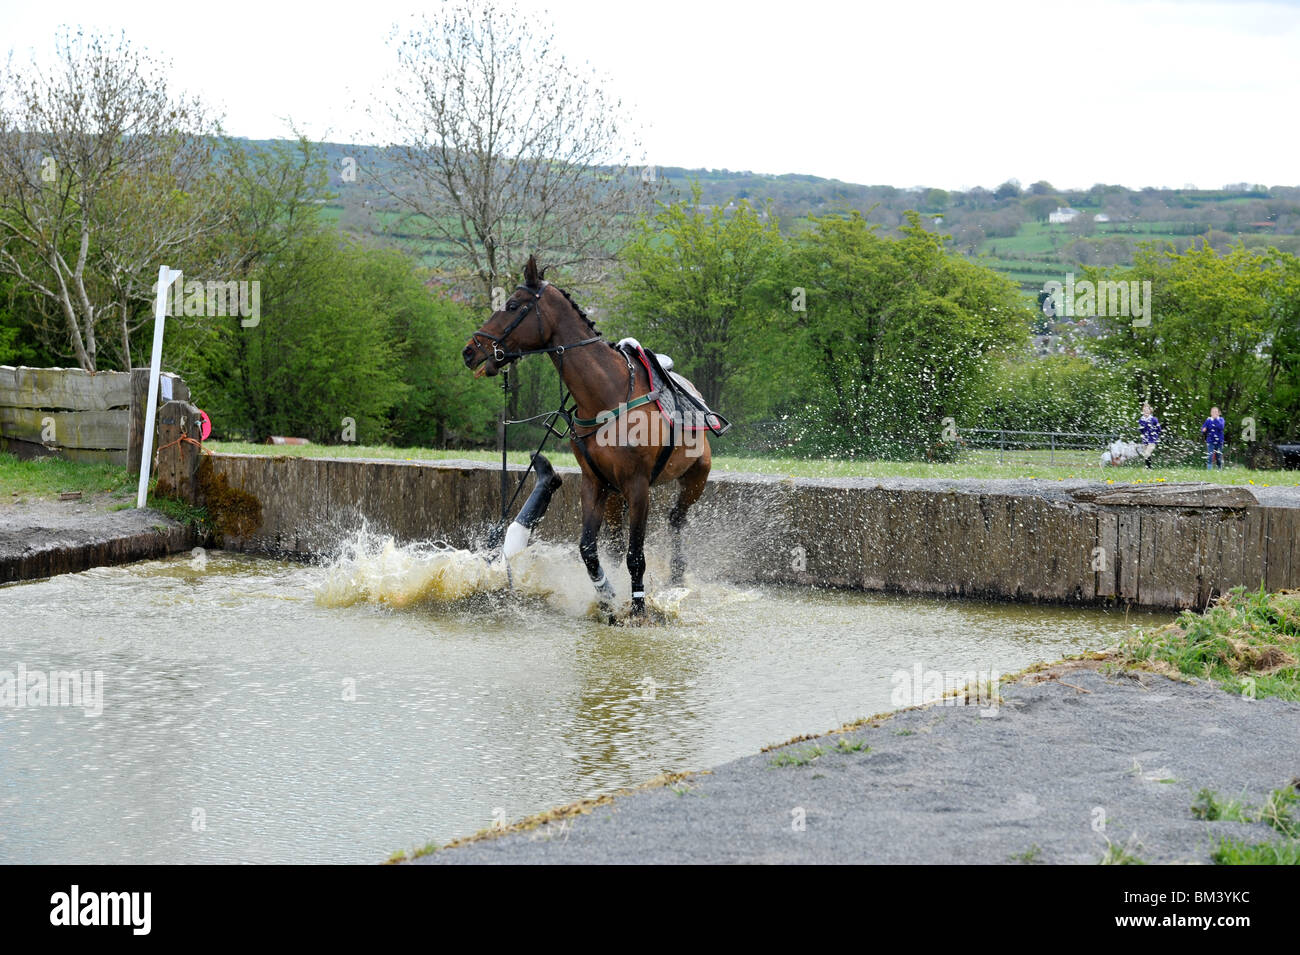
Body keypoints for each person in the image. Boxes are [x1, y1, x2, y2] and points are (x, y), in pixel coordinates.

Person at [1138, 403, 1161, 469]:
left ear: (1150, 411)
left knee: (1147, 453)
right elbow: (1141, 430)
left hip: (1152, 439)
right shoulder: (1141, 420)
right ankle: (1148, 468)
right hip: (1145, 439)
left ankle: (1148, 468)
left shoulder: (1154, 419)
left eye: (1147, 410)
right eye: (1144, 411)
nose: (1146, 412)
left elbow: (1159, 429)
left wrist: (1154, 434)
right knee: (1146, 454)